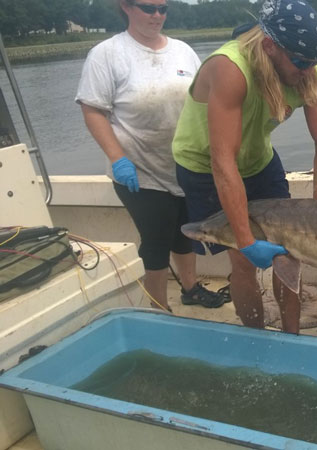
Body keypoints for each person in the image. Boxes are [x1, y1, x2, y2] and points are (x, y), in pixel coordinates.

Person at [172, 0, 317, 333]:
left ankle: (292, 337)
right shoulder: (230, 69)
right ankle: (256, 339)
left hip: (259, 160)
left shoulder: (309, 75)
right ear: (270, 46)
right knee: (244, 261)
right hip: (205, 165)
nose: (308, 71)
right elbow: (223, 162)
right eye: (300, 62)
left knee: (290, 255)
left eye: (314, 63)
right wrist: (246, 240)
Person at [76, 0, 226, 312]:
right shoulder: (107, 54)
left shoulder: (183, 51)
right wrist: (118, 159)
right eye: (148, 8)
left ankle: (190, 289)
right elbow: (93, 111)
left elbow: (204, 101)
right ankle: (158, 307)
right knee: (156, 239)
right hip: (138, 170)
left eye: (163, 9)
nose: (157, 15)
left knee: (186, 231)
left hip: (185, 166)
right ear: (126, 7)